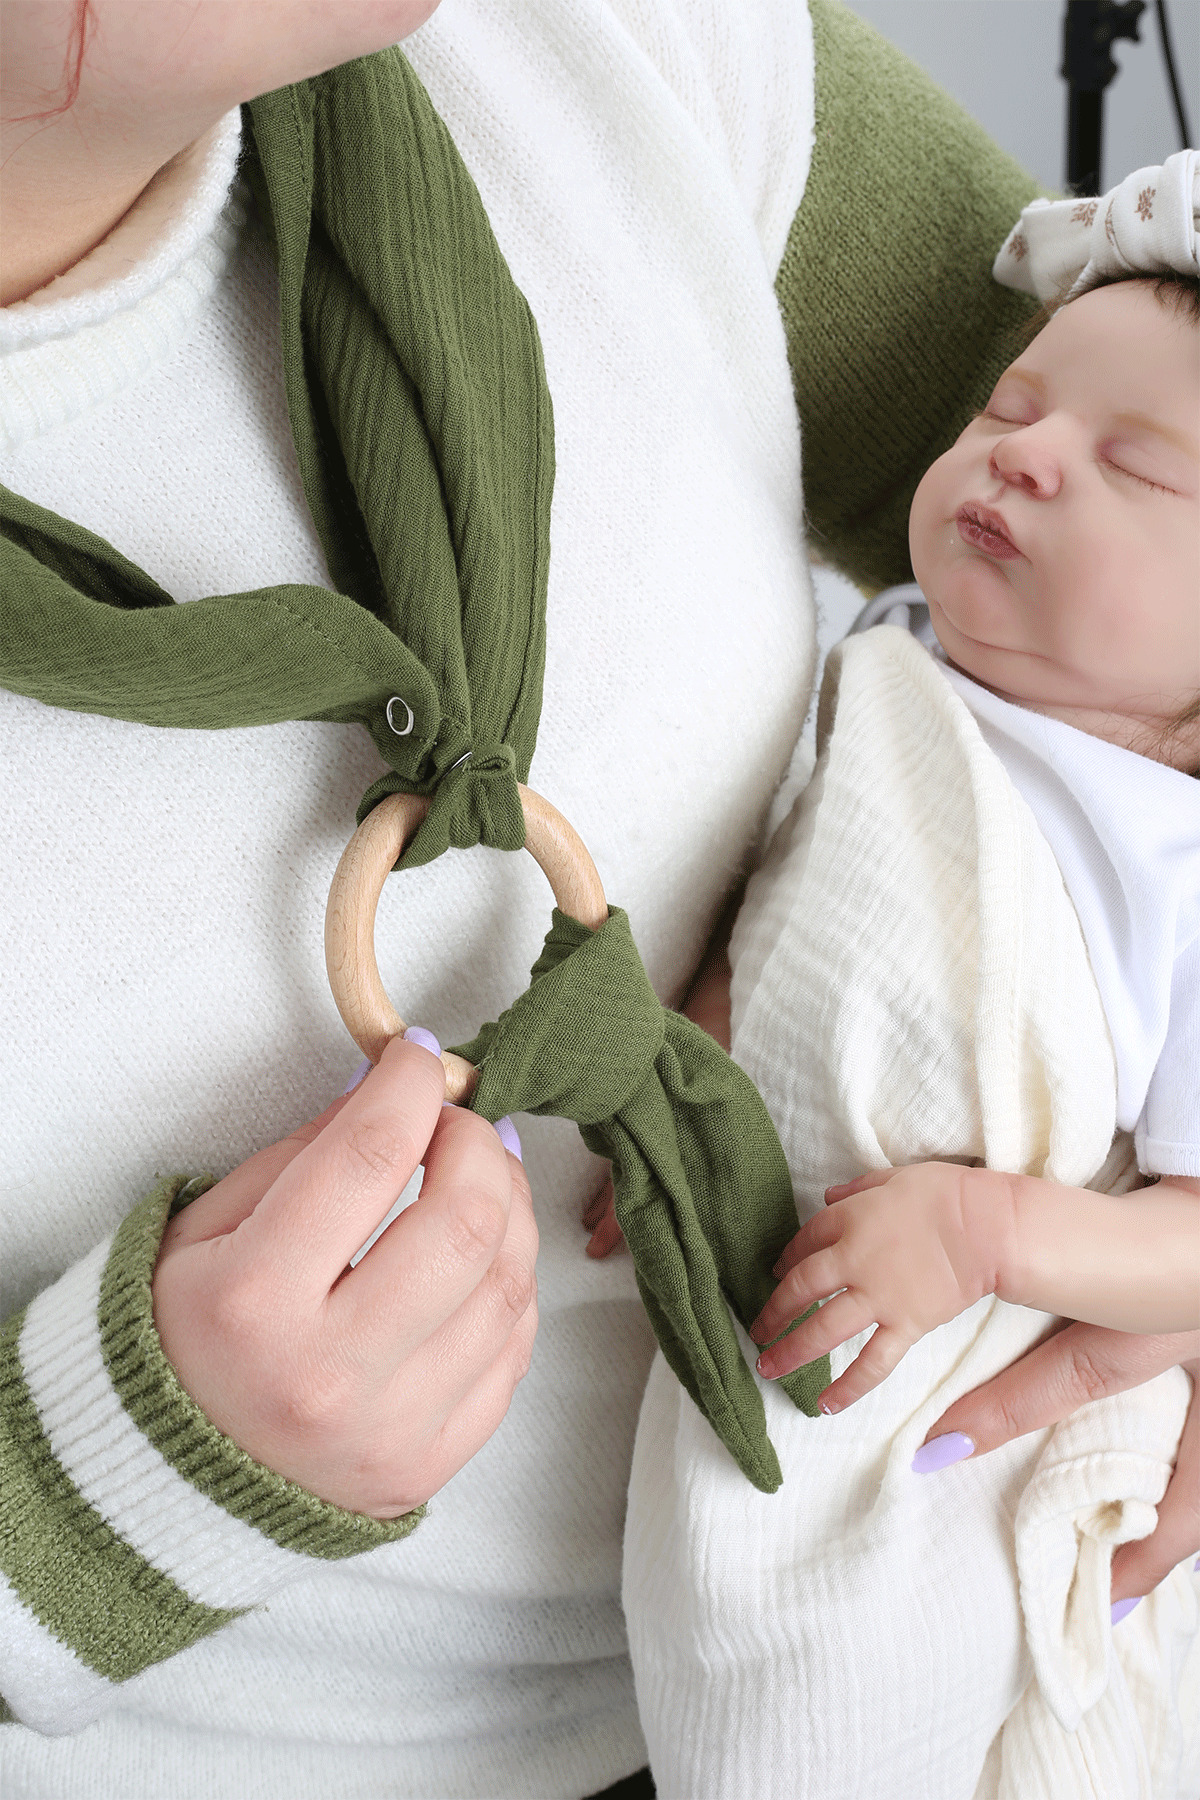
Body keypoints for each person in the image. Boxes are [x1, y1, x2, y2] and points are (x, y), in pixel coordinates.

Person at [0, 2, 1194, 1794]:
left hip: (908, 1589)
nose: (1017, 447)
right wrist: (94, 1499)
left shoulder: (606, 35)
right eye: (1004, 415)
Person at [617, 255, 1200, 1797]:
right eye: (1008, 405)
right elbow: (794, 904)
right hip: (759, 1297)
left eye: (1139, 468)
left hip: (970, 1363)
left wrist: (986, 1232)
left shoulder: (1180, 860)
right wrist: (690, 1072)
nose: (1025, 448)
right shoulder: (887, 663)